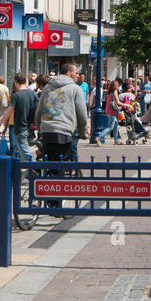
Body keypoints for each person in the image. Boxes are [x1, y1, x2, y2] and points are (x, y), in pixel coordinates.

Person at [34, 64, 89, 205]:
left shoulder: (47, 87)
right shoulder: (75, 89)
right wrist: (83, 132)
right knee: (61, 165)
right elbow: (82, 114)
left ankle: (45, 193)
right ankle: (56, 202)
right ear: (69, 73)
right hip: (63, 131)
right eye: (77, 72)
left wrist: (40, 129)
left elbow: (39, 111)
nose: (78, 75)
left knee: (51, 163)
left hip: (47, 131)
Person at [0, 73, 36, 162]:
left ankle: (36, 169)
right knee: (20, 152)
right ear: (25, 81)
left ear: (16, 82)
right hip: (28, 127)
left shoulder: (16, 96)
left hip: (20, 127)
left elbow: (8, 113)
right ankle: (21, 170)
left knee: (24, 152)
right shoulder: (32, 94)